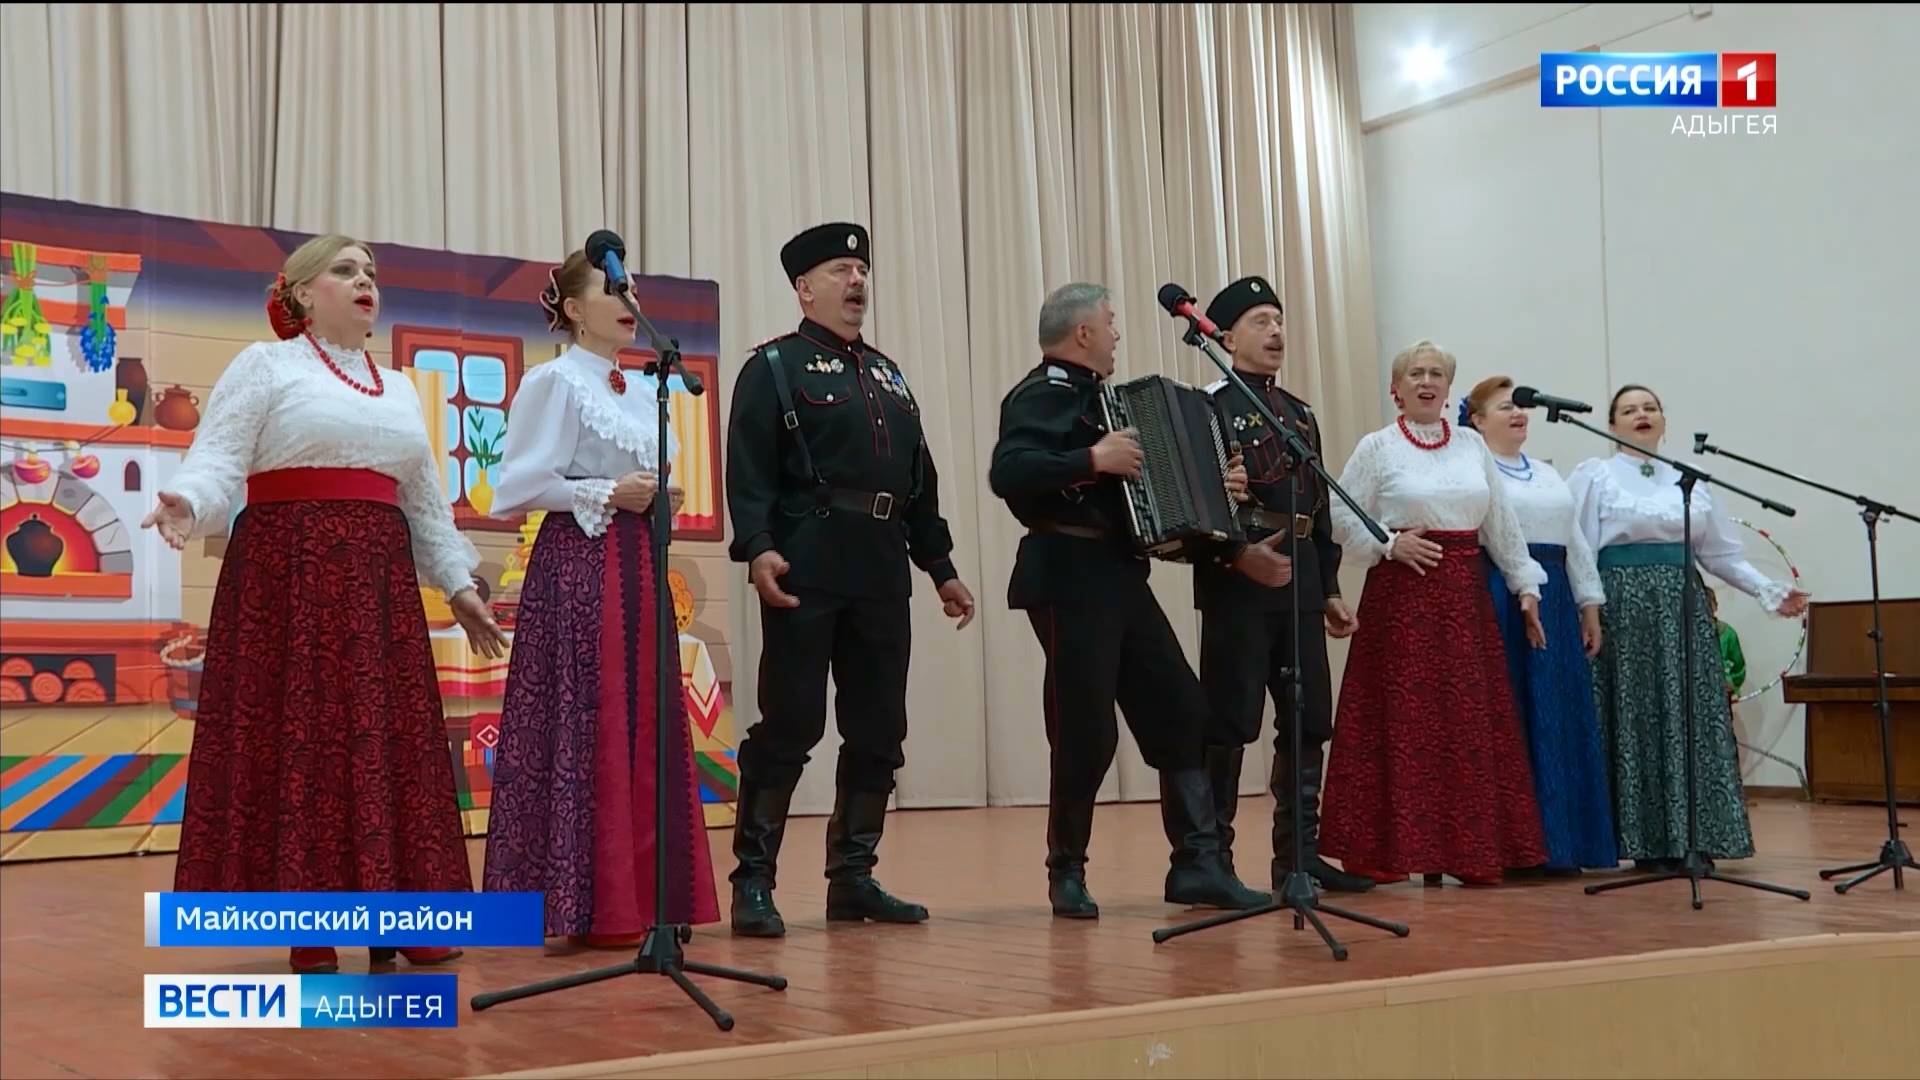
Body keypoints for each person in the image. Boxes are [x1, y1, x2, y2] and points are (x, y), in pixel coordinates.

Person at [142, 235, 508, 974]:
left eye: (371, 272)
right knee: (302, 741)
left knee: (383, 743)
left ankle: (397, 917)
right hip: (289, 579)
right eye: (345, 270)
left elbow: (424, 502)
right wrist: (187, 500)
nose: (365, 280)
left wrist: (459, 585)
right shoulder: (266, 365)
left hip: (379, 588)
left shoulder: (399, 388)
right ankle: (310, 924)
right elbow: (219, 457)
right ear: (303, 293)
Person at [988, 282, 1290, 917]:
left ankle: (1197, 867)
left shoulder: (1116, 401)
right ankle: (1066, 870)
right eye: (1110, 322)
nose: (1117, 334)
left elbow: (1160, 495)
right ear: (1082, 333)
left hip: (1122, 573)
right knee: (1086, 729)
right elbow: (1009, 472)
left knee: (1182, 711)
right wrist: (1090, 458)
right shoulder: (1040, 394)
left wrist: (1221, 487)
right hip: (1068, 572)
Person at [724, 222, 977, 937]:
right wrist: (759, 549)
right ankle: (753, 883)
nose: (857, 280)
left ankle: (853, 879)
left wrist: (941, 568)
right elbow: (748, 470)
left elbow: (918, 481)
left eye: (861, 269)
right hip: (807, 564)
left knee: (879, 728)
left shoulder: (889, 375)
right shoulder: (773, 367)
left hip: (881, 569)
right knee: (791, 723)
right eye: (841, 269)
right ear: (805, 289)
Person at [479, 249, 719, 946]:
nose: (629, 300)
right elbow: (517, 487)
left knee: (644, 714)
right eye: (613, 289)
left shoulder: (644, 387)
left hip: (639, 559)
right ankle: (584, 903)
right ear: (575, 309)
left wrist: (657, 493)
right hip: (581, 566)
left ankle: (647, 896)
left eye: (633, 289)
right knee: (590, 715)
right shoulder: (554, 381)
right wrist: (608, 491)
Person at [1317, 340, 1550, 887]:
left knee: (1466, 724)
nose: (1427, 381)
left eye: (1437, 374)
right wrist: (1388, 542)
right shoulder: (1377, 447)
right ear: (1395, 389)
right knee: (1402, 721)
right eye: (1416, 374)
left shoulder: (1471, 445)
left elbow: (1500, 522)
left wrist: (1525, 584)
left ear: (1448, 389)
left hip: (1465, 599)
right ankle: (1390, 850)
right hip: (1401, 597)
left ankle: (1470, 851)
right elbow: (1339, 516)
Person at [1568, 385, 1809, 869]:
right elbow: (1578, 547)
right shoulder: (1595, 476)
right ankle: (1645, 841)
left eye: (1650, 407)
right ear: (1612, 425)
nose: (1641, 414)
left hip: (1682, 605)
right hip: (1624, 606)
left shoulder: (1689, 479)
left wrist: (1768, 590)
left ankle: (1693, 836)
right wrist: (1588, 608)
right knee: (1637, 714)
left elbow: (1720, 554)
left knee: (1688, 715)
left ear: (1664, 420)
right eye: (1629, 409)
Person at [1192, 276, 1373, 895]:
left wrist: (1330, 589)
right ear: (1227, 336)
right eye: (1260, 321)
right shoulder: (1208, 408)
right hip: (1239, 576)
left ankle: (1299, 856)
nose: (1275, 332)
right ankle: (1213, 859)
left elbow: (1318, 509)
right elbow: (1196, 503)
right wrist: (1232, 540)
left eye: (1279, 320)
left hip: (1300, 577)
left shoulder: (1299, 413)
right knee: (1230, 718)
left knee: (1308, 717)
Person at [1461, 377, 1618, 874]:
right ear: (1477, 420)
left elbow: (1575, 541)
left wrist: (1589, 604)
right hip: (1504, 594)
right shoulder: (1475, 472)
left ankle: (1565, 842)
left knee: (1560, 713)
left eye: (1520, 407)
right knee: (1515, 710)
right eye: (1504, 407)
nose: (1518, 414)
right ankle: (1517, 845)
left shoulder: (1548, 473)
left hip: (1556, 598)